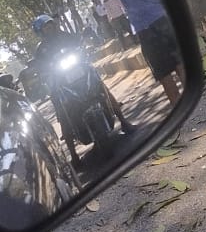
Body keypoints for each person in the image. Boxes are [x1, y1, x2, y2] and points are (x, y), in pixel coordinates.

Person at [25, 16, 133, 167]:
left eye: (50, 25)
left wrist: (84, 48)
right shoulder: (41, 49)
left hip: (81, 71)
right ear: (41, 32)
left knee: (102, 87)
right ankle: (74, 155)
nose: (50, 29)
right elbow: (39, 67)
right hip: (60, 81)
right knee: (61, 110)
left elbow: (80, 45)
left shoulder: (65, 36)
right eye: (46, 28)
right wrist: (42, 72)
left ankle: (124, 120)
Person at [102, 0, 185, 107]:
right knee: (179, 63)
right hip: (162, 16)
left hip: (143, 27)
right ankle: (195, 99)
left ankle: (181, 110)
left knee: (163, 73)